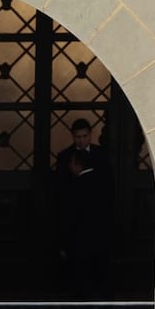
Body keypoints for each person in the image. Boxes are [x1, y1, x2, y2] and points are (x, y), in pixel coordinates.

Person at [54, 119, 114, 299]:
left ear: (90, 134)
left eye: (85, 136)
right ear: (73, 136)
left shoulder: (101, 155)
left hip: (96, 221)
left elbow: (108, 186)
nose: (81, 140)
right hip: (76, 223)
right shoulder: (65, 157)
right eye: (78, 137)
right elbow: (60, 189)